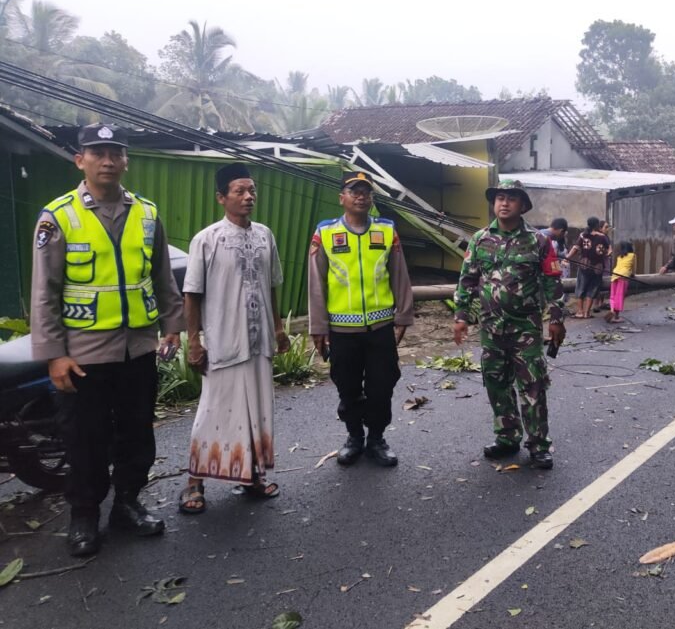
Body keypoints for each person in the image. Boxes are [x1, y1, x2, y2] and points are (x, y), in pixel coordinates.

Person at [30, 123, 184, 557]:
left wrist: (172, 325)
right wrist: (54, 357)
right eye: (97, 153)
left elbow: (161, 276)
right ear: (80, 160)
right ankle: (84, 516)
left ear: (126, 161)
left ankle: (127, 504)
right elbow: (44, 293)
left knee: (136, 434)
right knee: (85, 438)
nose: (108, 160)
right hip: (83, 356)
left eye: (116, 153)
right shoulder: (58, 216)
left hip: (137, 350)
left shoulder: (147, 214)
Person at [178, 164, 291, 514]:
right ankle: (194, 482)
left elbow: (272, 285)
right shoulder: (206, 239)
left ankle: (251, 477)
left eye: (252, 190)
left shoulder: (265, 236)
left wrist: (277, 327)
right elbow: (192, 294)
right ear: (221, 197)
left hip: (258, 345)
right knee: (213, 411)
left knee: (256, 411)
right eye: (239, 191)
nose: (248, 197)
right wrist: (195, 342)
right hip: (224, 343)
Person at [453, 180, 565, 469]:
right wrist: (461, 316)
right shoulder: (479, 239)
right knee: (496, 385)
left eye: (511, 199)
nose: (504, 203)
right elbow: (467, 279)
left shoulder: (539, 241)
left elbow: (552, 280)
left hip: (525, 329)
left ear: (522, 205)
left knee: (533, 386)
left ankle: (539, 444)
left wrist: (556, 318)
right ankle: (507, 437)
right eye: (499, 198)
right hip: (491, 328)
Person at [308, 171, 414, 467]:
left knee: (383, 386)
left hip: (381, 329)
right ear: (341, 197)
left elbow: (400, 275)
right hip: (342, 330)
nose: (360, 196)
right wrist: (318, 327)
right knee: (348, 387)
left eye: (365, 191)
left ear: (371, 197)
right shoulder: (325, 233)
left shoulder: (386, 230)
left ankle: (376, 439)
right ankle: (354, 437)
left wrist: (403, 316)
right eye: (354, 191)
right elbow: (316, 282)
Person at [566, 216, 610, 319]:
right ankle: (587, 313)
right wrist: (602, 254)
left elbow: (575, 248)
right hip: (597, 268)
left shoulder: (583, 235)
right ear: (597, 225)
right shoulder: (603, 237)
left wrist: (567, 258)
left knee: (580, 288)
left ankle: (580, 312)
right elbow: (609, 251)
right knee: (592, 290)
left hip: (584, 266)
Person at [606, 241, 635, 323]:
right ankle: (616, 317)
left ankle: (612, 310)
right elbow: (632, 268)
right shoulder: (632, 255)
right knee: (619, 296)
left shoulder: (619, 256)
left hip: (614, 275)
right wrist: (632, 274)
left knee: (613, 296)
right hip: (623, 277)